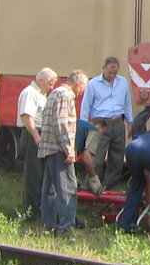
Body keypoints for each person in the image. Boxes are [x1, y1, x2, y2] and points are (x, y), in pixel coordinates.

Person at [38, 70, 89, 238]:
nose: (82, 91)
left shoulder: (54, 93)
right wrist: (68, 148)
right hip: (59, 149)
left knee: (50, 188)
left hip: (49, 147)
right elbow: (61, 124)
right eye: (83, 87)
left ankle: (49, 224)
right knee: (67, 187)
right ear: (79, 84)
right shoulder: (66, 96)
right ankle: (66, 226)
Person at [81, 56, 133, 191]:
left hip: (118, 122)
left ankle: (111, 189)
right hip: (99, 123)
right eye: (110, 72)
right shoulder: (93, 84)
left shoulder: (122, 82)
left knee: (117, 158)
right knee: (96, 158)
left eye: (115, 73)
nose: (112, 75)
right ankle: (90, 187)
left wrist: (129, 121)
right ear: (103, 68)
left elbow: (127, 103)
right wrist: (83, 126)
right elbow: (85, 106)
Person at [17, 68, 57, 221]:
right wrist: (36, 137)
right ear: (41, 80)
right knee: (33, 175)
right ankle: (31, 211)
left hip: (40, 134)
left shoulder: (41, 94)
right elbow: (27, 117)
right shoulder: (30, 93)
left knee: (40, 173)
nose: (51, 87)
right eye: (50, 83)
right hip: (33, 135)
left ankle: (39, 208)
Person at [74, 118, 106, 193]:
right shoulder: (94, 130)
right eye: (103, 133)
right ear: (101, 127)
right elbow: (86, 157)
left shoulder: (79, 124)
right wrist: (94, 180)